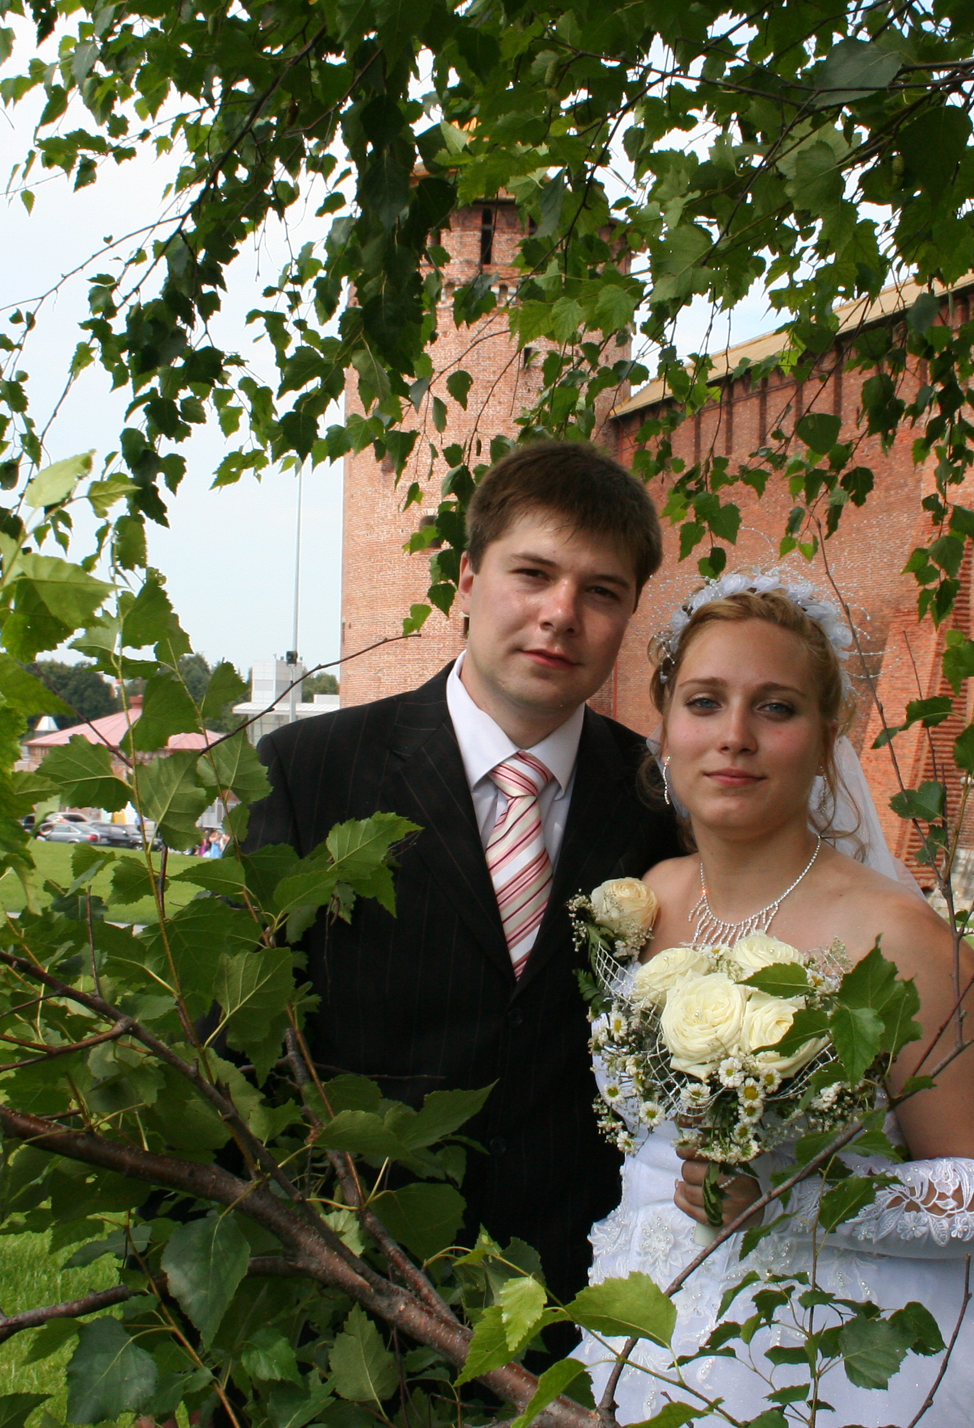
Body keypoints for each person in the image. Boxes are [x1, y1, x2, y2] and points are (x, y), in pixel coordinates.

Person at [575, 574, 974, 1427]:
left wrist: (795, 1202)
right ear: (665, 729)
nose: (735, 736)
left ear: (828, 741)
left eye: (776, 708)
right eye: (705, 702)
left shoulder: (899, 942)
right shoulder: (651, 897)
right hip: (640, 1315)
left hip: (832, 1349)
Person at [248, 441, 686, 1304]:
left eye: (602, 592)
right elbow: (242, 1043)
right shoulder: (309, 773)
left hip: (577, 1294)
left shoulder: (658, 799)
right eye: (533, 574)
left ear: (631, 614)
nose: (562, 614)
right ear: (468, 580)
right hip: (348, 1280)